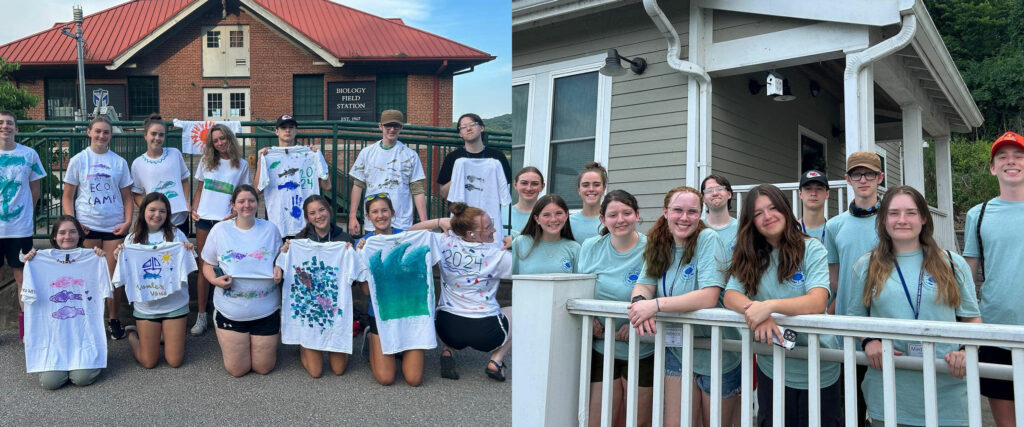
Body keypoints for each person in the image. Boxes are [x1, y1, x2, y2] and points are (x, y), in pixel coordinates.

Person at [848, 186, 980, 426]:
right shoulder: (865, 266)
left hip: (948, 393)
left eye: (910, 212)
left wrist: (965, 350)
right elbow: (855, 320)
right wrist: (868, 340)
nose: (902, 220)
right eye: (894, 213)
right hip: (889, 394)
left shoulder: (952, 263)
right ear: (883, 219)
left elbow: (972, 320)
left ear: (923, 218)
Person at [722, 184, 841, 426]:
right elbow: (731, 295)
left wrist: (769, 306)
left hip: (819, 367)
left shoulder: (811, 248)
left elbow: (818, 301)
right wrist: (758, 312)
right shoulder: (751, 253)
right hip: (772, 366)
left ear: (785, 209)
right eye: (758, 213)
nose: (767, 217)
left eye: (773, 208)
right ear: (750, 221)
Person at [627, 186, 740, 427]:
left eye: (692, 211)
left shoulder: (707, 238)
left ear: (700, 214)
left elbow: (709, 296)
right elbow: (644, 285)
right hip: (677, 349)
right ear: (665, 211)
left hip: (717, 351)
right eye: (678, 210)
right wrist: (639, 303)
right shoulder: (659, 242)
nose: (684, 217)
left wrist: (654, 306)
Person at [577, 189, 653, 427]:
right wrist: (590, 320)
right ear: (602, 219)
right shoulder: (591, 247)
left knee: (636, 420)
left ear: (637, 215)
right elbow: (577, 290)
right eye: (613, 215)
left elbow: (659, 292)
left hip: (643, 347)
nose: (620, 220)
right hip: (601, 346)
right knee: (598, 419)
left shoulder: (653, 248)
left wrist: (637, 320)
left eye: (627, 213)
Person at [963, 130, 1024, 426]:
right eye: (1003, 157)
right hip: (994, 333)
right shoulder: (979, 214)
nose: (1011, 162)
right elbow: (966, 276)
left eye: (1019, 156)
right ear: (992, 167)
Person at [61, 116, 134, 340]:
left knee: (113, 277)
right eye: (98, 131)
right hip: (88, 226)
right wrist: (74, 223)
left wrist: (128, 221)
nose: (102, 136)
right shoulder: (78, 160)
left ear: (111, 135)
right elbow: (68, 196)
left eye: (106, 132)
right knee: (89, 277)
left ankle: (113, 320)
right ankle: (89, 320)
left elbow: (127, 197)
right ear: (89, 132)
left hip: (114, 227)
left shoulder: (119, 162)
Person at [200, 185, 283, 377]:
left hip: (266, 311)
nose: (247, 205)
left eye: (251, 201)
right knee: (237, 370)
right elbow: (207, 265)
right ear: (233, 205)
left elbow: (279, 261)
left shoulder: (271, 229)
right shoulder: (219, 230)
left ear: (258, 203)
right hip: (231, 312)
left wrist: (279, 269)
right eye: (241, 201)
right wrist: (216, 281)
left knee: (264, 368)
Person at [277, 195, 358, 378]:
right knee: (315, 372)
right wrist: (284, 252)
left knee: (338, 370)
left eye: (321, 210)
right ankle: (303, 344)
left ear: (329, 210)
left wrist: (352, 252)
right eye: (312, 213)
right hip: (309, 313)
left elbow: (355, 277)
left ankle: (336, 343)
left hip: (333, 312)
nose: (318, 216)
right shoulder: (299, 241)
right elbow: (281, 270)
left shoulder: (344, 240)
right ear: (308, 217)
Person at [21, 216, 107, 389]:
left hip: (83, 336)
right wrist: (30, 262)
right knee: (50, 383)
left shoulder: (94, 258)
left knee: (81, 379)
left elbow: (104, 291)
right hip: (53, 338)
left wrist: (100, 258)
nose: (67, 236)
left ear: (80, 235)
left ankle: (87, 361)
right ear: (54, 237)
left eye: (73, 231)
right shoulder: (37, 261)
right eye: (62, 232)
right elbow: (27, 299)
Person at [116, 193, 196, 369]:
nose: (157, 215)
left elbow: (190, 267)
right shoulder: (131, 239)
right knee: (149, 362)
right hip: (147, 308)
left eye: (162, 211)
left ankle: (161, 335)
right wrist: (120, 255)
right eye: (152, 210)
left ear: (168, 214)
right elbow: (124, 272)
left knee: (175, 362)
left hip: (175, 305)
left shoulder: (176, 235)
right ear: (143, 211)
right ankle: (133, 335)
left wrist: (188, 250)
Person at [353, 194, 422, 386]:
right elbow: (366, 292)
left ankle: (398, 347)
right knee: (385, 378)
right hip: (381, 313)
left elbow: (430, 230)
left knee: (414, 379)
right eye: (375, 212)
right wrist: (362, 256)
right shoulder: (364, 244)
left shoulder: (407, 236)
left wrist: (444, 222)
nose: (380, 215)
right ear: (368, 217)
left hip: (409, 311)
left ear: (392, 213)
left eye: (384, 210)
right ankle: (371, 338)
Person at [189, 124, 251, 336]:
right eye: (216, 140)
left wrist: (234, 214)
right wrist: (194, 209)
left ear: (229, 139)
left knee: (226, 265)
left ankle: (225, 313)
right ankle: (201, 315)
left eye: (223, 138)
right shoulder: (206, 162)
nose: (220, 143)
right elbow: (199, 189)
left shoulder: (241, 165)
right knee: (203, 266)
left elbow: (242, 195)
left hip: (227, 222)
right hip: (205, 220)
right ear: (211, 144)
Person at [0, 110, 45, 339]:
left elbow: (35, 190)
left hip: (19, 229)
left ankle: (27, 331)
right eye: (1, 123)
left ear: (16, 128)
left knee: (22, 279)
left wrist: (27, 214)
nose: (5, 126)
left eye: (9, 123)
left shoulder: (29, 154)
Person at [347, 110, 428, 236]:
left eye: (396, 126)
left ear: (401, 127)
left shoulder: (410, 155)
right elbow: (358, 185)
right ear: (380, 126)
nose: (392, 129)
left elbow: (417, 189)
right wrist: (352, 216)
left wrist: (425, 223)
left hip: (402, 222)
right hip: (374, 221)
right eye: (388, 126)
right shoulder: (366, 153)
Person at [826, 151, 885, 316]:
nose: (863, 180)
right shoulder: (833, 226)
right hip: (846, 319)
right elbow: (834, 277)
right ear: (848, 179)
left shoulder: (892, 223)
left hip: (884, 317)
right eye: (857, 174)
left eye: (870, 174)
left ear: (880, 178)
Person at [253, 114, 331, 237]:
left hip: (305, 221)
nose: (288, 130)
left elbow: (327, 186)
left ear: (296, 131)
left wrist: (318, 158)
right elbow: (257, 189)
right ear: (277, 131)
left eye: (291, 127)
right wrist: (260, 161)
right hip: (278, 219)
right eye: (284, 127)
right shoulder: (268, 157)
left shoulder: (310, 154)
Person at [438, 113, 512, 242]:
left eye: (472, 124)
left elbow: (505, 192)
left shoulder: (497, 158)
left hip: (489, 219)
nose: (468, 128)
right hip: (462, 219)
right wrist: (459, 176)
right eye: (463, 127)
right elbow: (443, 193)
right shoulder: (454, 158)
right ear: (460, 133)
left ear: (481, 128)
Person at [129, 114, 191, 231]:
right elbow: (136, 194)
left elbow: (185, 181)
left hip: (179, 216)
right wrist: (149, 210)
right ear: (145, 135)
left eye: (161, 135)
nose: (157, 138)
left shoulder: (175, 154)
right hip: (156, 220)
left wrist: (185, 201)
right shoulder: (138, 163)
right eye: (153, 134)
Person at [511, 194, 580, 274]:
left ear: (566, 215)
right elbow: (507, 280)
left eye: (558, 213)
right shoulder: (520, 243)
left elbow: (579, 284)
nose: (553, 219)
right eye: (546, 215)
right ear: (537, 219)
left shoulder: (575, 248)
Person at [569, 162, 608, 244]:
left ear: (604, 188)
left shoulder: (611, 221)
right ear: (579, 189)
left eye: (596, 185)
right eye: (585, 185)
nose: (591, 189)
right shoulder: (568, 223)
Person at [700, 174, 738, 252]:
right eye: (709, 190)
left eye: (720, 188)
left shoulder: (741, 229)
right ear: (703, 198)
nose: (715, 193)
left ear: (729, 194)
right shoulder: (697, 228)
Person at [506, 166, 545, 237]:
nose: (529, 188)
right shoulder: (504, 214)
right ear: (515, 185)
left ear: (542, 187)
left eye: (534, 184)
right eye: (524, 183)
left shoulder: (549, 216)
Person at [798, 169, 829, 242]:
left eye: (819, 188)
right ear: (800, 194)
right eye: (808, 188)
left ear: (827, 194)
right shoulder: (790, 231)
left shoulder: (834, 230)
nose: (813, 193)